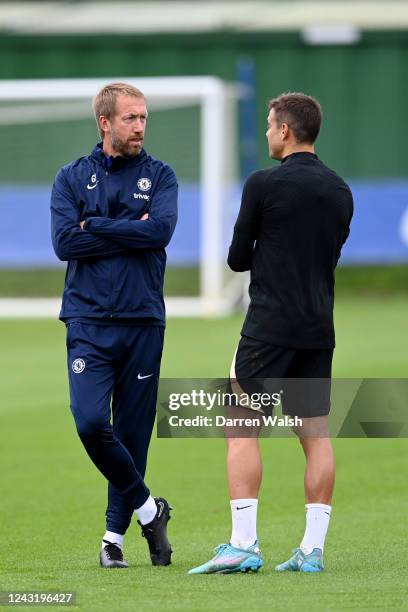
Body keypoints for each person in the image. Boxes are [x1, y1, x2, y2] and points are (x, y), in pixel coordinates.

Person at [188, 92, 353, 575]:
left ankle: (243, 544)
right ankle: (312, 551)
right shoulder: (341, 189)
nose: (266, 134)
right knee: (316, 436)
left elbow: (237, 258)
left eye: (268, 125)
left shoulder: (264, 184)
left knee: (241, 429)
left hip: (268, 326)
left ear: (285, 131)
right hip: (319, 328)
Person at [51, 82, 178, 569]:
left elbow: (159, 232)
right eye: (130, 118)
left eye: (144, 117)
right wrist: (131, 230)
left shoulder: (161, 175)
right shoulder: (70, 178)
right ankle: (151, 510)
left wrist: (97, 225)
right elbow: (65, 243)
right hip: (87, 320)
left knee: (132, 432)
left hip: (143, 319)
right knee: (88, 422)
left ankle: (113, 539)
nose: (140, 126)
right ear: (105, 122)